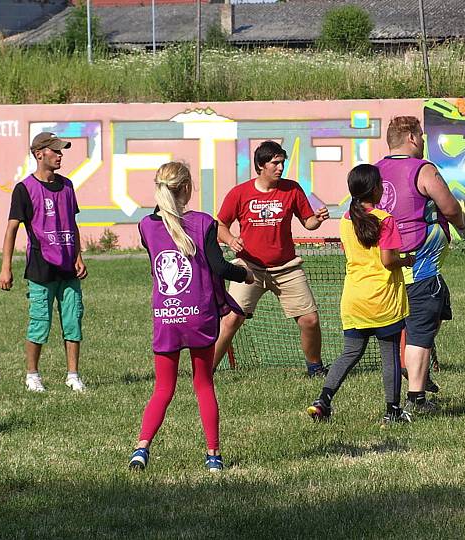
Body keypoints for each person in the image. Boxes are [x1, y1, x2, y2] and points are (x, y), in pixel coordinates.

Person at [129, 162, 253, 472]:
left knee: (162, 389)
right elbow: (220, 267)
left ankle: (141, 449)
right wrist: (245, 274)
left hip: (166, 316)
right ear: (187, 189)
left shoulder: (145, 226)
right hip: (198, 316)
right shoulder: (203, 224)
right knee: (203, 384)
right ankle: (213, 454)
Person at [307, 164, 414, 424]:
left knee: (350, 353)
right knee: (389, 355)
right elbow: (388, 260)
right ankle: (392, 411)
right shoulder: (386, 220)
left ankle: (323, 399)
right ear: (376, 189)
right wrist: (406, 260)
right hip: (383, 299)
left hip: (354, 298)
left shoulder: (346, 219)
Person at [212, 141, 330, 377]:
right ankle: (206, 372)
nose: (280, 167)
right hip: (249, 269)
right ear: (260, 165)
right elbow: (220, 225)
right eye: (275, 163)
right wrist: (231, 239)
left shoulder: (292, 189)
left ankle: (315, 368)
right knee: (231, 320)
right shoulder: (239, 193)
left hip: (287, 268)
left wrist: (318, 219)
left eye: (282, 162)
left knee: (310, 320)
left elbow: (308, 223)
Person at [375, 116, 465, 416]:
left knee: (429, 320)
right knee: (419, 334)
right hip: (420, 266)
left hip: (387, 266)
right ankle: (416, 398)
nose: (424, 141)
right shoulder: (422, 169)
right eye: (421, 136)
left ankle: (417, 374)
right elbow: (450, 207)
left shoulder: (375, 171)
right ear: (412, 137)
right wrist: (460, 224)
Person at [0, 132, 88, 393]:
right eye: (55, 151)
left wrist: (78, 255)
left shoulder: (68, 186)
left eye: (61, 151)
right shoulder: (25, 189)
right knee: (40, 321)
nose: (60, 155)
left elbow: (73, 222)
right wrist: (6, 267)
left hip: (68, 266)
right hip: (41, 267)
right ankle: (32, 375)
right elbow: (12, 229)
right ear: (39, 154)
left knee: (73, 320)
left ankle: (73, 375)